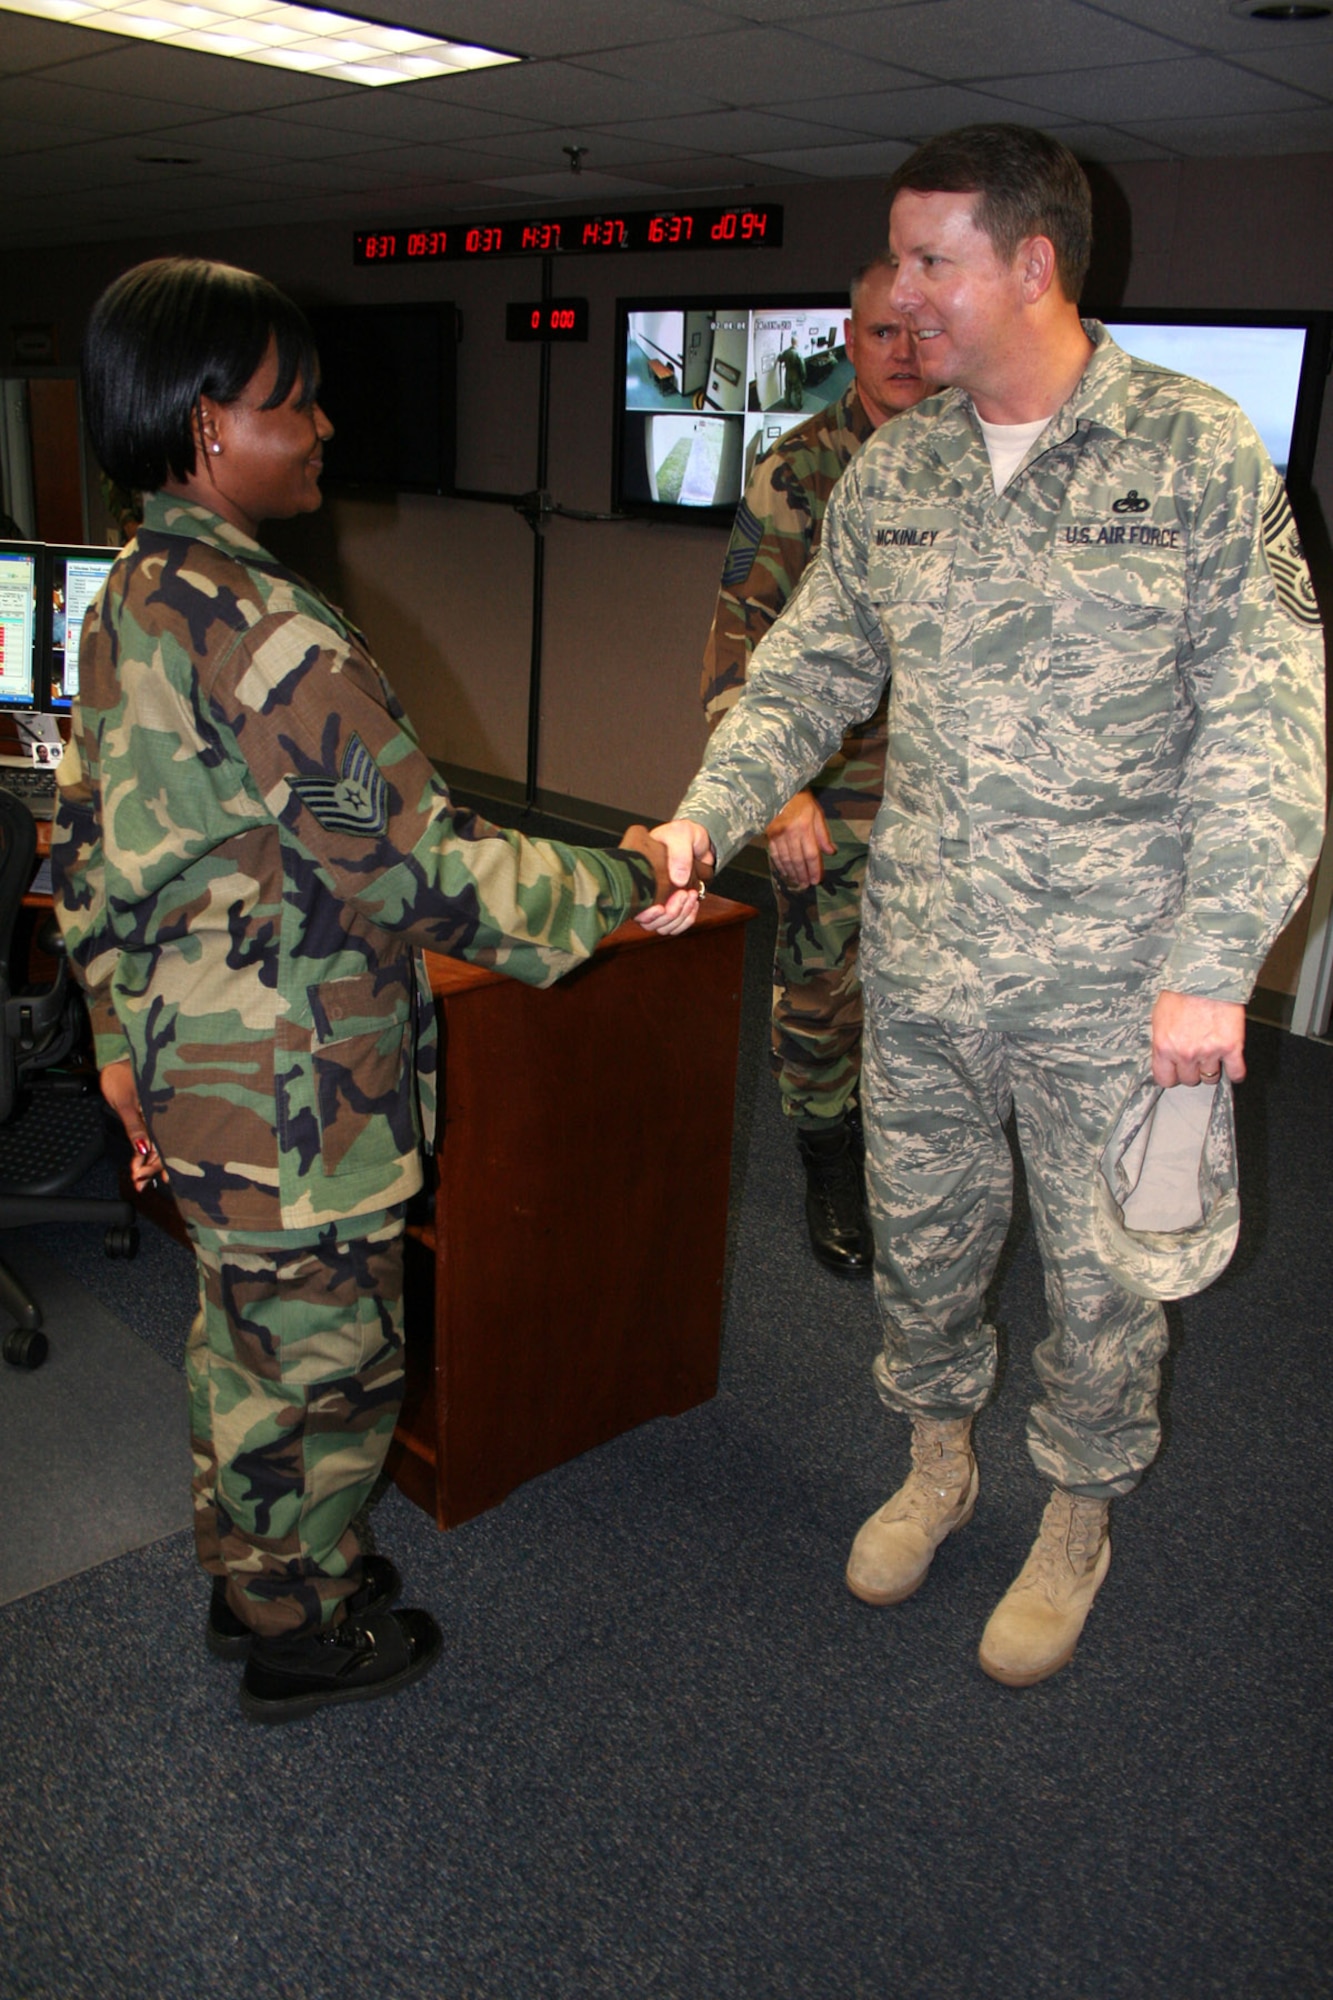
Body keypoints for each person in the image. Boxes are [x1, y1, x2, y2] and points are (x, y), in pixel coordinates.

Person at [651, 126, 1326, 1686]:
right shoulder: (902, 464)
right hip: (930, 961)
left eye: (929, 260)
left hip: (1125, 991)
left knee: (1106, 1278)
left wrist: (1217, 963)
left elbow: (1272, 725)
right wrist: (705, 816)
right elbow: (807, 665)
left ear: (1033, 264)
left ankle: (1077, 1516)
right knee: (926, 1247)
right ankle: (939, 1463)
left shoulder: (1195, 451)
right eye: (896, 259)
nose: (901, 294)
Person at [54, 256, 698, 1726]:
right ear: (213, 427)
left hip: (191, 1058)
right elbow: (424, 870)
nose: (325, 429)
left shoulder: (134, 592)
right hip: (295, 1089)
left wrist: (110, 1037)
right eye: (298, 406)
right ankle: (301, 1629)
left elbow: (83, 844)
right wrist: (628, 875)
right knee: (330, 1365)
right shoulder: (264, 633)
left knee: (247, 1345)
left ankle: (255, 1579)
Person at [702, 254, 927, 1274]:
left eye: (922, 332)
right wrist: (781, 795)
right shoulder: (800, 468)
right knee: (822, 994)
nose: (906, 354)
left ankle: (909, 1158)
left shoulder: (979, 458)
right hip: (834, 790)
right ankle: (828, 1155)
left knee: (929, 995)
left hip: (947, 795)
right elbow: (737, 648)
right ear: (849, 341)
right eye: (884, 334)